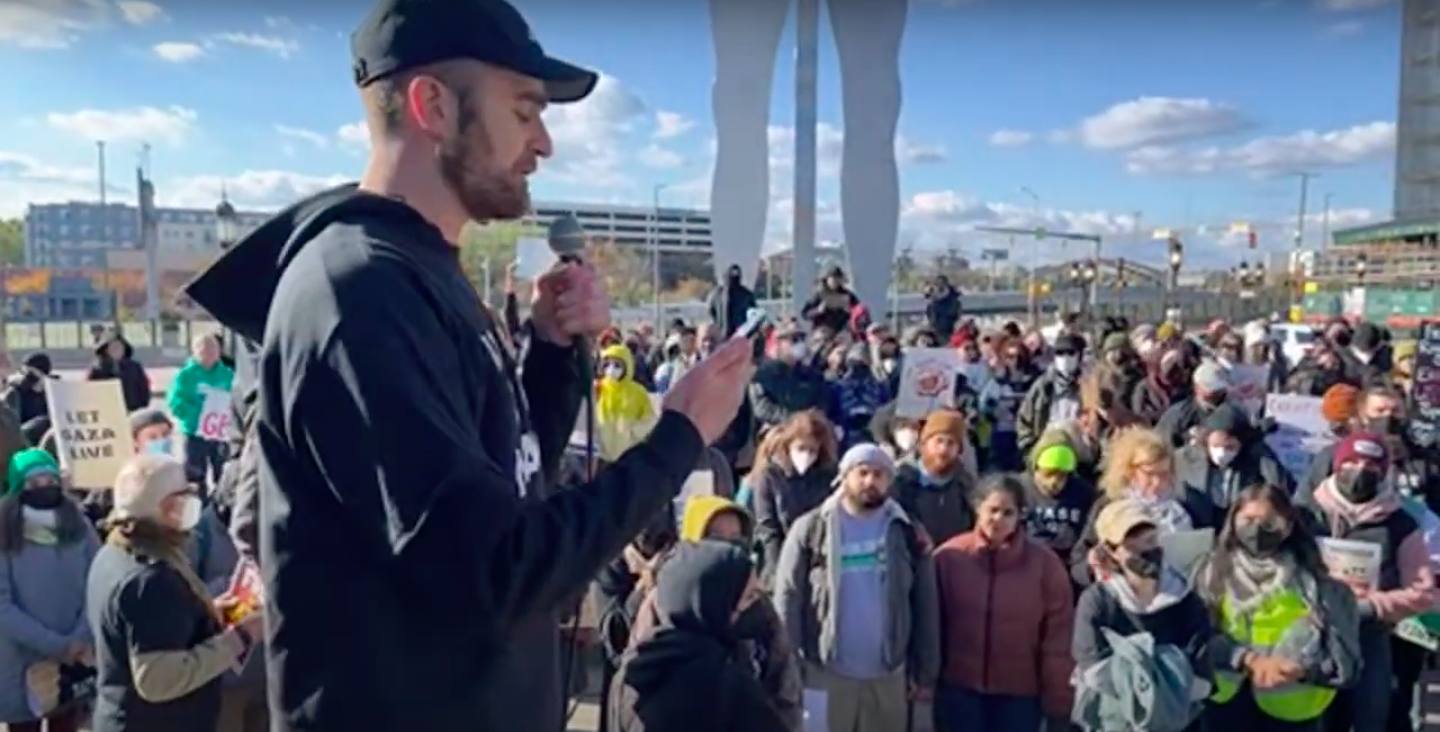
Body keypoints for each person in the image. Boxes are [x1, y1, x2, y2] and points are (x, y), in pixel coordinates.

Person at [182, 1, 754, 729]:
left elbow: (504, 488)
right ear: (432, 105)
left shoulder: (421, 270)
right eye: (524, 111)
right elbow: (495, 572)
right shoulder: (359, 290)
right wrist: (677, 436)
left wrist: (547, 356)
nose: (543, 142)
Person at [86, 455, 262, 732]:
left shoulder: (114, 553)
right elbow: (157, 679)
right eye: (186, 492)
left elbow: (148, 628)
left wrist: (209, 611)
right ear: (169, 507)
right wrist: (240, 637)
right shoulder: (151, 579)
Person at [773, 443, 940, 731]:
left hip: (887, 675)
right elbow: (788, 596)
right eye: (862, 473)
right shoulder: (811, 528)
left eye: (879, 474)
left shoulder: (907, 531)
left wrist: (925, 671)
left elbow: (925, 603)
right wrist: (789, 666)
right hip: (825, 672)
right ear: (845, 476)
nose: (870, 482)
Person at [1194, 485, 1361, 731]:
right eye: (1248, 519)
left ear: (1288, 526)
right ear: (1233, 521)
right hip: (1224, 707)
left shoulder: (1318, 585)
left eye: (1269, 521)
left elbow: (1346, 665)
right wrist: (1247, 659)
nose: (1256, 529)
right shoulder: (1210, 574)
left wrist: (1302, 670)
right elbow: (1195, 638)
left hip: (1293, 713)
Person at [933, 476, 1073, 732]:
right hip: (959, 689)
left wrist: (1058, 700)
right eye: (992, 510)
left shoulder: (1045, 565)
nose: (998, 519)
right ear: (977, 508)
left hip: (1018, 694)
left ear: (1020, 515)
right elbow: (930, 626)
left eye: (1008, 512)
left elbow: (1057, 638)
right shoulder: (948, 558)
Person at [607, 540, 789, 732]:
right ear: (713, 604)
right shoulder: (730, 689)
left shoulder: (630, 674)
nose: (757, 606)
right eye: (750, 597)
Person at [1071, 499, 1214, 732]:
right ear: (1111, 552)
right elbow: (1092, 668)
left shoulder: (1187, 600)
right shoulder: (1097, 601)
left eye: (1149, 541)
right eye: (1131, 546)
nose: (1145, 552)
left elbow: (1201, 674)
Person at [0, 449, 98, 732]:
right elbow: (3, 606)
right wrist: (57, 645)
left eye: (50, 480)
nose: (44, 488)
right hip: (20, 660)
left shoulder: (78, 524)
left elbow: (97, 580)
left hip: (74, 659)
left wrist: (80, 637)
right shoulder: (5, 530)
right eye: (33, 484)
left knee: (67, 721)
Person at [165, 334, 234, 489]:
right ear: (196, 352)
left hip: (219, 433)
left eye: (213, 350)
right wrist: (199, 417)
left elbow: (236, 400)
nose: (210, 354)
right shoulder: (185, 376)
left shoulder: (227, 374)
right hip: (194, 432)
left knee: (223, 473)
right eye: (205, 350)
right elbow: (175, 402)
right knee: (195, 474)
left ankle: (222, 506)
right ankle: (197, 506)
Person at [87, 329, 152, 413]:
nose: (117, 350)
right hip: (105, 413)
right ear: (106, 350)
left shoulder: (134, 367)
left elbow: (143, 390)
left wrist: (140, 408)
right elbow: (88, 394)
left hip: (131, 411)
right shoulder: (96, 370)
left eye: (119, 347)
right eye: (113, 347)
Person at [708, 264, 758, 339]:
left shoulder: (746, 295)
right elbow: (711, 310)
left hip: (737, 336)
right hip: (728, 336)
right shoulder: (717, 294)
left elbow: (754, 316)